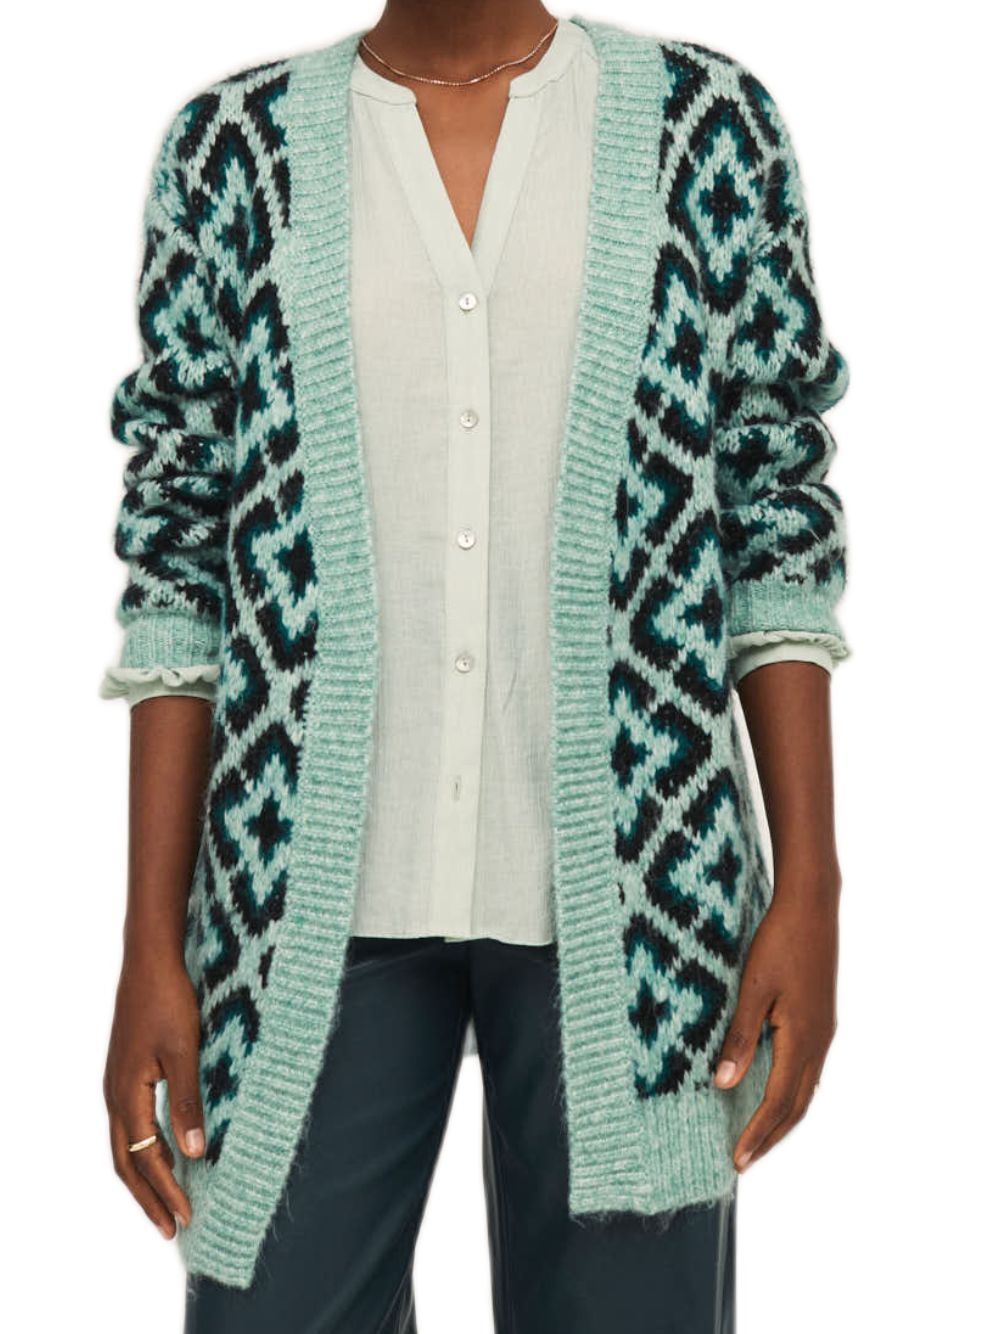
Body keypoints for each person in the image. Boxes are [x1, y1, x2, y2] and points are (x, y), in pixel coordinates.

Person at [100, 3, 850, 1330]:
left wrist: (813, 882)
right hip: (298, 911)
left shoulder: (702, 128)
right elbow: (179, 561)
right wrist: (148, 941)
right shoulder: (233, 150)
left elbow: (773, 509)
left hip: (643, 907)